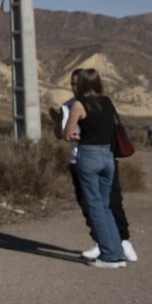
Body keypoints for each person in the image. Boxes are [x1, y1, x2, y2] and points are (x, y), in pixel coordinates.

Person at [51, 69, 137, 263]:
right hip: (108, 156)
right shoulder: (106, 102)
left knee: (95, 206)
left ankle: (109, 255)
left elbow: (66, 135)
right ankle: (117, 250)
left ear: (81, 84)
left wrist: (62, 125)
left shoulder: (78, 105)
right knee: (106, 205)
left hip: (89, 157)